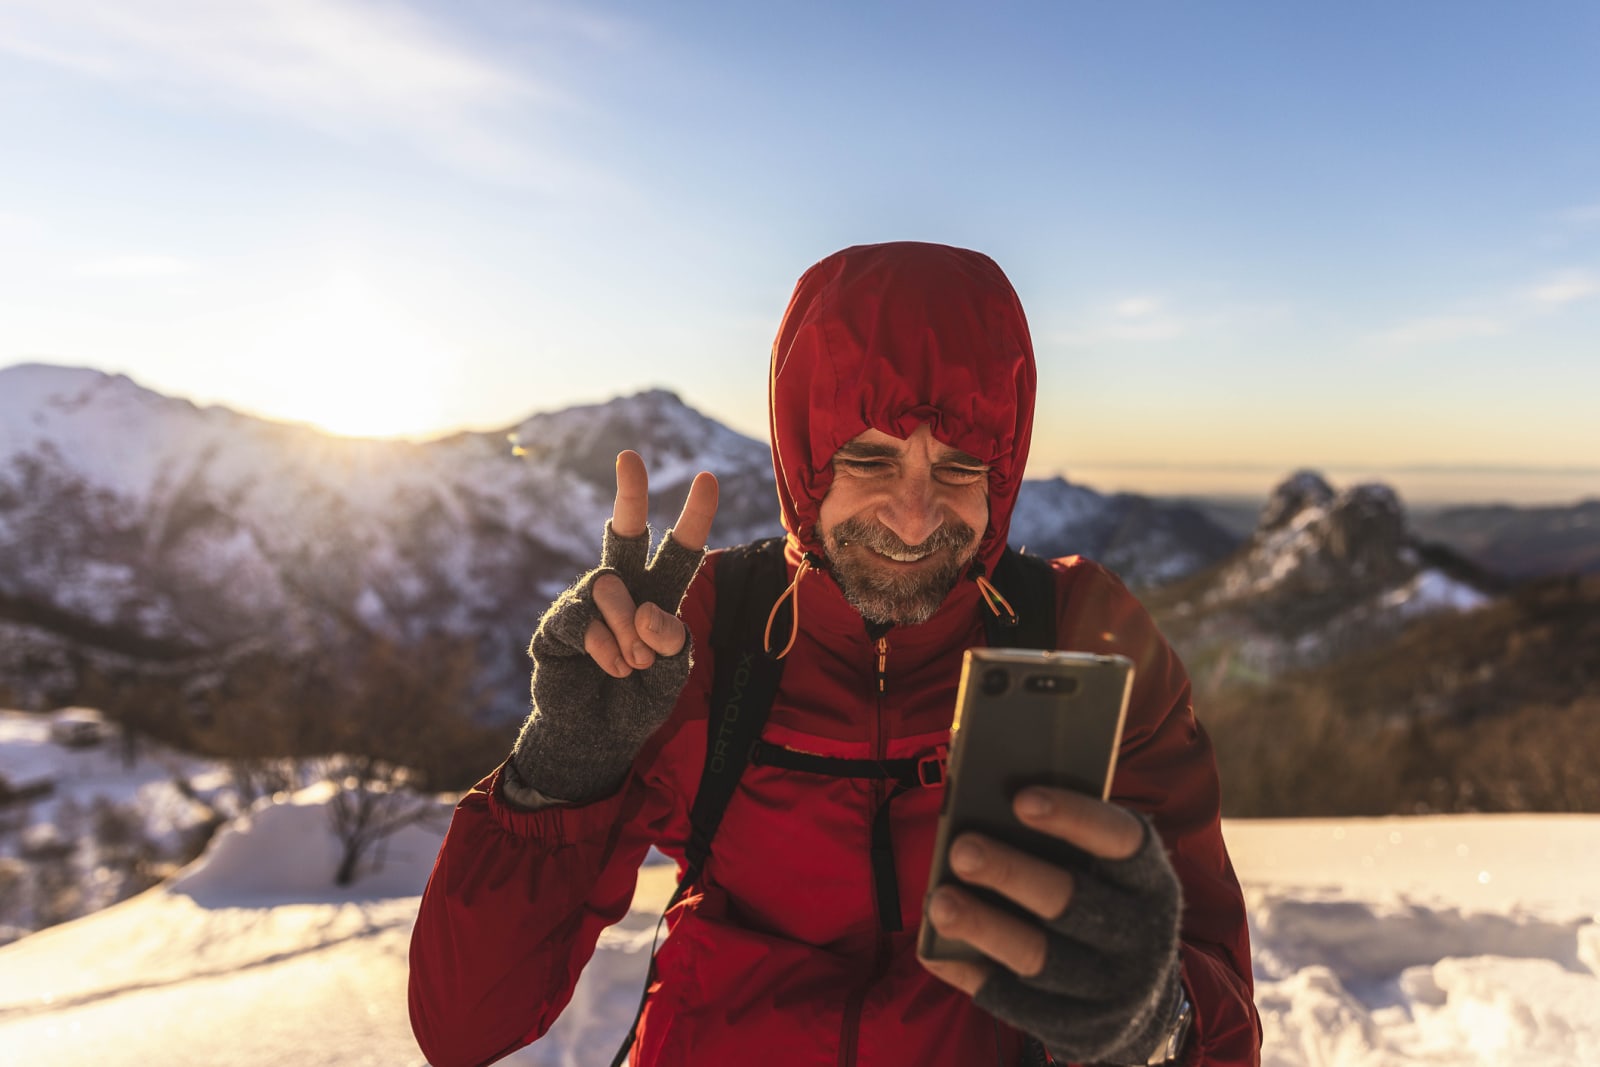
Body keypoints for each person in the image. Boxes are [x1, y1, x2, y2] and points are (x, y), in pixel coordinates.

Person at [409, 241, 1261, 1066]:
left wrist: (1157, 1023)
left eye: (960, 467)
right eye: (870, 459)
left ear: (1002, 474)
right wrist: (561, 769)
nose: (915, 517)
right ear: (804, 459)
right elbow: (463, 1027)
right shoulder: (700, 633)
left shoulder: (1082, 633)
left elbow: (1217, 1004)